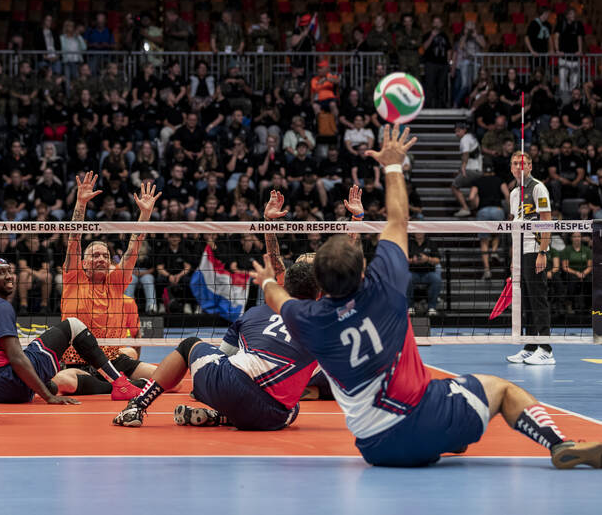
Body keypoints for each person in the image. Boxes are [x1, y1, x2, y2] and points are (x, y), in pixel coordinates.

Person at [249, 125, 601, 469]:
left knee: (448, 398)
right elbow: (398, 220)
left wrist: (265, 281)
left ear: (319, 287)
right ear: (361, 272)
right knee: (502, 390)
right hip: (427, 419)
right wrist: (392, 165)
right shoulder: (384, 289)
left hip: (376, 449)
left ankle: (451, 436)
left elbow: (279, 292)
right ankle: (560, 444)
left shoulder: (307, 319)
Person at [113, 261, 320, 429]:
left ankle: (136, 407)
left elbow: (224, 355)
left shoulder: (255, 313)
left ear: (284, 286)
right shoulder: (325, 326)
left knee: (189, 344)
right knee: (293, 408)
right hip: (271, 415)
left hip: (229, 385)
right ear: (319, 294)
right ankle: (221, 417)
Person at [0, 258, 141, 404]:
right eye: (1, 273)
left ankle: (127, 385)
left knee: (54, 384)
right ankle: (120, 385)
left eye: (9, 271)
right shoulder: (0, 306)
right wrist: (48, 397)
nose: (9, 276)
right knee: (73, 324)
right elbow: (16, 357)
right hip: (9, 383)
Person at [57, 173, 161, 391]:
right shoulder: (74, 277)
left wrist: (145, 215)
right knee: (63, 382)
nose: (101, 259)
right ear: (83, 263)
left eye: (105, 255)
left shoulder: (115, 282)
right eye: (95, 255)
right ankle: (118, 385)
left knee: (169, 380)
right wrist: (81, 203)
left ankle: (114, 382)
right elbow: (74, 239)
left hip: (111, 358)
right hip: (79, 362)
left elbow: (133, 249)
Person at [507, 150, 554, 364]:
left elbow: (546, 220)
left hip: (535, 249)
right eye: (515, 163)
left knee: (538, 299)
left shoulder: (538, 188)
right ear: (511, 167)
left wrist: (543, 251)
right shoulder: (514, 193)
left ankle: (546, 348)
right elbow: (515, 227)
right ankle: (530, 345)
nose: (519, 166)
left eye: (523, 163)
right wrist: (513, 257)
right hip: (520, 252)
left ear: (530, 166)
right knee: (525, 301)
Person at [468, 163, 510, 280]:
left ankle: (486, 270)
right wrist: (510, 212)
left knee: (484, 241)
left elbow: (471, 197)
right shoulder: (499, 180)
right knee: (497, 233)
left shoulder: (478, 181)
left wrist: (473, 207)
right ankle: (495, 251)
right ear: (493, 172)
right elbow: (507, 195)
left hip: (483, 211)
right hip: (497, 210)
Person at [451, 121, 482, 217]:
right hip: (479, 169)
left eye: (458, 131)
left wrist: (463, 168)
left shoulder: (464, 139)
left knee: (454, 186)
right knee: (475, 189)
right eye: (455, 132)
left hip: (471, 169)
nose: (457, 134)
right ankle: (476, 211)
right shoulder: (471, 137)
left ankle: (465, 208)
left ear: (464, 130)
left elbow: (466, 154)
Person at [406, 233, 441, 316]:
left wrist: (427, 259)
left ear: (424, 231)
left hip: (428, 273)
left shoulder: (431, 243)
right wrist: (412, 260)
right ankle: (409, 307)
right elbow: (402, 258)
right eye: (416, 231)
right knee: (407, 278)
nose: (418, 232)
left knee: (436, 279)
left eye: (420, 230)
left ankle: (432, 307)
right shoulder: (408, 243)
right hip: (412, 273)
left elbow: (437, 260)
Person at [421, 16, 452, 109]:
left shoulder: (445, 36)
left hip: (443, 64)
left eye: (438, 22)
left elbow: (449, 50)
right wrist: (432, 36)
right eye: (435, 22)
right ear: (432, 24)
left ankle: (441, 106)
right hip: (431, 64)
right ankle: (428, 106)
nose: (437, 24)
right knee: (429, 86)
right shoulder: (427, 35)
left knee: (441, 86)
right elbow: (424, 48)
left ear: (441, 24)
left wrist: (448, 64)